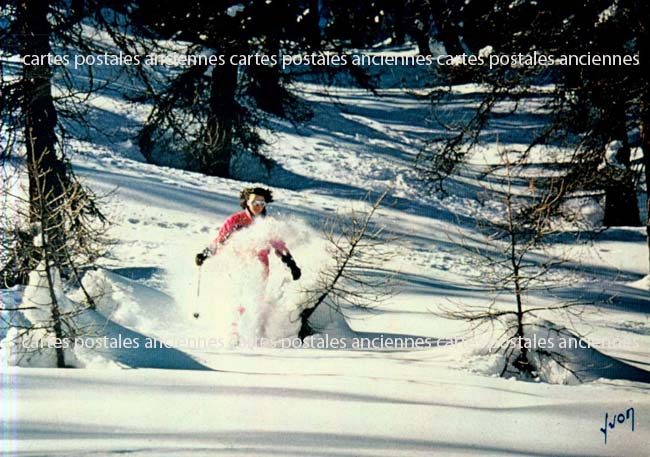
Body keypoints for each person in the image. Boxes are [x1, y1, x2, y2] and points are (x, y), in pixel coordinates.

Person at [195, 187, 301, 281]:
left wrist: (292, 265)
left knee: (255, 297)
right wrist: (204, 254)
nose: (258, 206)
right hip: (237, 263)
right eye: (254, 203)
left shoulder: (268, 224)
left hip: (260, 267)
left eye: (261, 204)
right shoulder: (235, 221)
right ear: (247, 202)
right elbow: (220, 240)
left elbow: (279, 247)